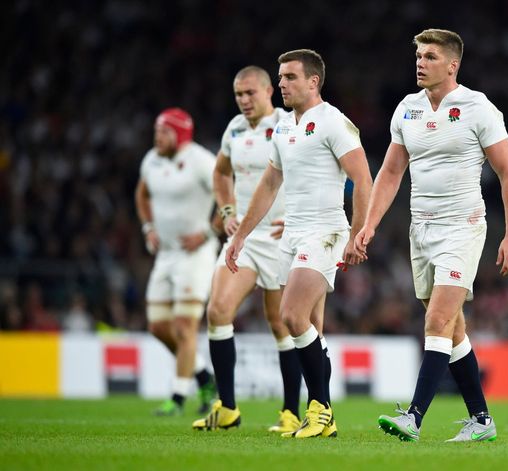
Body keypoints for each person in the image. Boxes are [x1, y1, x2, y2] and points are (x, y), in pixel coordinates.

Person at [355, 29, 508, 443]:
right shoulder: (407, 110)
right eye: (418, 55)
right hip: (421, 228)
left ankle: (413, 416)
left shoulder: (477, 108)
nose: (419, 62)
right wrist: (370, 224)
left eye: (429, 56)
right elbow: (391, 172)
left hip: (462, 227)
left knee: (436, 319)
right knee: (452, 329)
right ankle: (482, 420)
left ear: (452, 65)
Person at [225, 49, 373, 438]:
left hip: (324, 231)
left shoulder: (333, 122)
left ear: (313, 81)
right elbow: (270, 184)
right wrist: (240, 235)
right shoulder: (285, 128)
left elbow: (363, 178)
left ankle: (321, 408)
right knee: (311, 330)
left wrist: (359, 233)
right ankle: (321, 416)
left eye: (290, 77)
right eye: (280, 77)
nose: (282, 84)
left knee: (291, 315)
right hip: (291, 233)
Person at [191, 66, 302, 434]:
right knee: (218, 310)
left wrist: (302, 217)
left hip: (280, 237)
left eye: (250, 93)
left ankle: (289, 410)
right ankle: (227, 407)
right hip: (245, 240)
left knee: (282, 324)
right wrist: (226, 211)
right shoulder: (234, 129)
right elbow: (221, 173)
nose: (244, 100)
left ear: (270, 89)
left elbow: (315, 171)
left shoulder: (289, 124)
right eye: (238, 94)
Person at [135, 108, 218, 416]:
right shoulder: (151, 160)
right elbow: (141, 194)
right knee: (158, 327)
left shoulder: (201, 161)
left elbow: (227, 196)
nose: (158, 137)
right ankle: (204, 376)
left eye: (164, 132)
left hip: (196, 255)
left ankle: (178, 398)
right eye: (157, 131)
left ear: (180, 134)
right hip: (166, 254)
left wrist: (208, 231)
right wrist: (148, 227)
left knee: (184, 327)